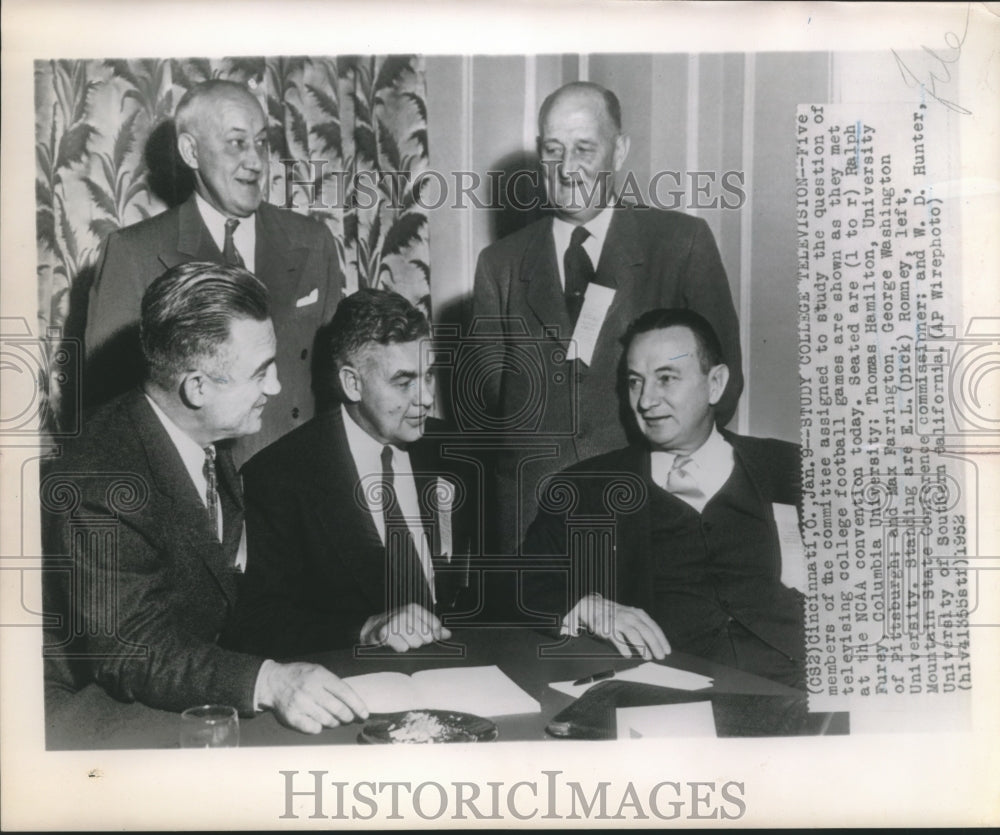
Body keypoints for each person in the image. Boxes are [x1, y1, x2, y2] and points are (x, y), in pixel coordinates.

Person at [42, 262, 368, 736]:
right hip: (85, 713)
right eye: (260, 372)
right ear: (197, 388)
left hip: (176, 688)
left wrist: (358, 629)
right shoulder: (101, 479)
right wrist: (269, 681)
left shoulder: (204, 439)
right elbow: (133, 651)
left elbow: (229, 601)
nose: (276, 387)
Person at [469, 81, 744, 553]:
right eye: (553, 150)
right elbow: (493, 401)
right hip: (532, 519)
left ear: (618, 151)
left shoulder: (681, 244)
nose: (567, 168)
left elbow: (724, 384)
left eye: (584, 148)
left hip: (650, 509)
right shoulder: (500, 264)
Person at [522, 309, 805, 689]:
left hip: (803, 686)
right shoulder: (585, 488)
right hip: (672, 696)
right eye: (635, 382)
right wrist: (588, 607)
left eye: (666, 378)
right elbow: (516, 583)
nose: (646, 401)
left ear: (716, 384)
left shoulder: (789, 469)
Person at [84, 79, 342, 465]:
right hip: (200, 482)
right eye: (237, 143)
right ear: (191, 151)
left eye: (261, 142)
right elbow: (110, 402)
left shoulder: (312, 240)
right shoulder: (134, 252)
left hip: (302, 476)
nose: (256, 161)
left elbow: (334, 378)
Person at [230, 289, 479, 659]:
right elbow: (256, 624)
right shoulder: (277, 478)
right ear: (352, 383)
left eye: (428, 376)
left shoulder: (458, 452)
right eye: (403, 382)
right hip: (354, 674)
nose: (426, 398)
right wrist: (365, 629)